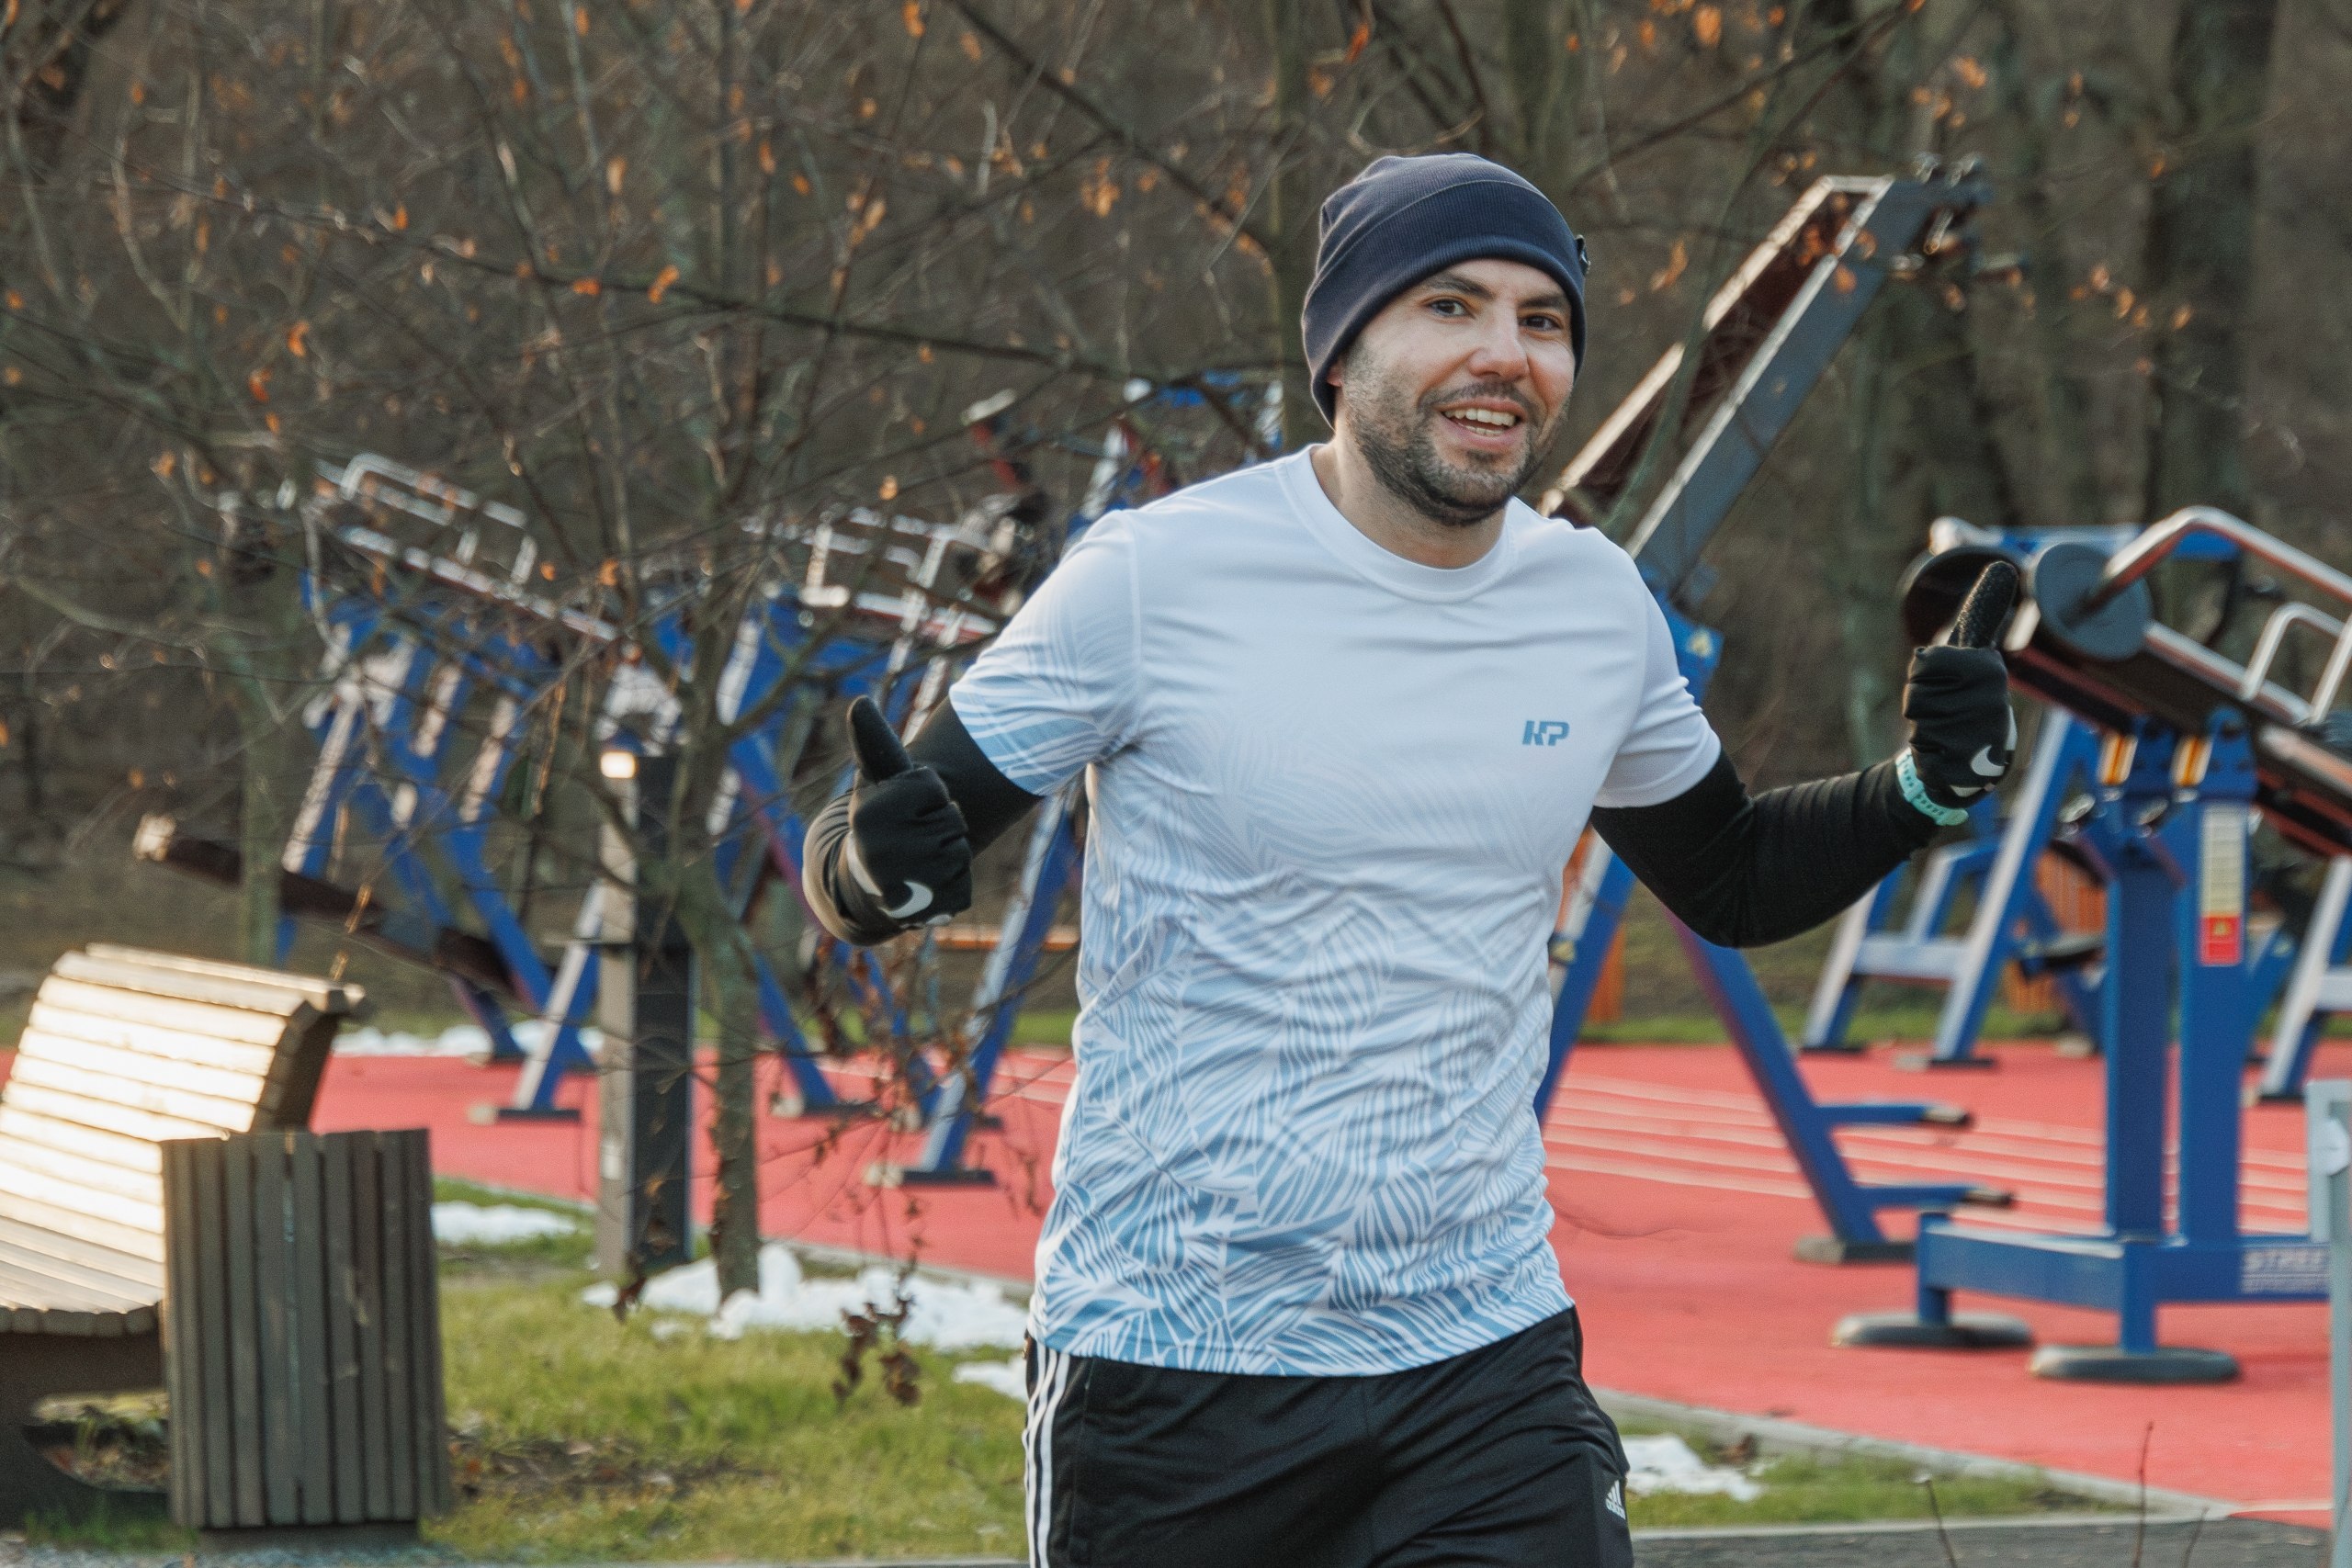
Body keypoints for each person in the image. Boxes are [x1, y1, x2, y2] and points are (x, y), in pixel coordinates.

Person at [802, 152, 2012, 1568]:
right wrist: (872, 869)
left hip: (1481, 1363)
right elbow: (868, 847)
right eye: (1451, 305)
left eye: (1542, 321)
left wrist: (1922, 789)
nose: (1506, 353)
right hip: (1176, 1374)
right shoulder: (1156, 579)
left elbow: (1733, 876)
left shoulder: (1591, 602)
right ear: (1344, 351)